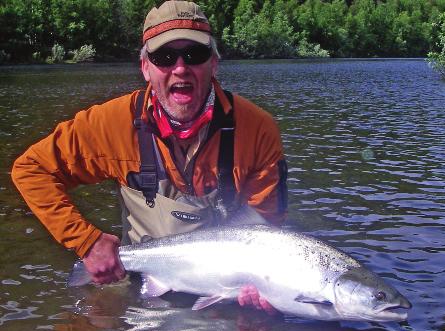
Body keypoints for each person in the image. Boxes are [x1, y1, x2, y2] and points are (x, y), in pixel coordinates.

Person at [12, 0, 287, 314]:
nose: (180, 68)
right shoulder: (110, 123)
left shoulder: (257, 130)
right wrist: (86, 241)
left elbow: (267, 226)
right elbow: (31, 169)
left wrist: (270, 289)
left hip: (227, 288)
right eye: (164, 57)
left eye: (194, 55)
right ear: (145, 67)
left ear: (214, 64)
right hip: (138, 277)